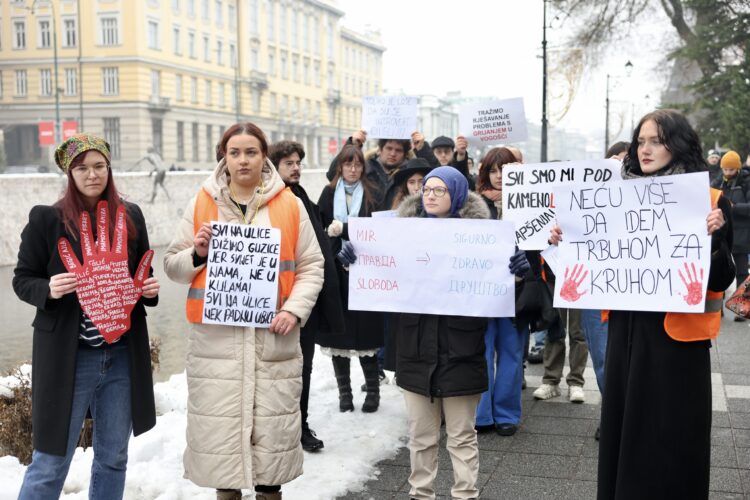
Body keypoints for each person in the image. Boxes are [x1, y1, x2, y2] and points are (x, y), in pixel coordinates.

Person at [548, 109, 734, 498]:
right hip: (625, 334)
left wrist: (714, 239)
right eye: (641, 141)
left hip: (677, 345)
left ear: (678, 144)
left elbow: (720, 280)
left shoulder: (709, 200)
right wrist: (561, 244)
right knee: (623, 431)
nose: (645, 149)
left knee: (670, 437)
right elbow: (576, 270)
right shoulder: (611, 197)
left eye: (657, 141)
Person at [339, 166, 527, 499]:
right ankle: (420, 494)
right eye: (427, 188)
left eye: (440, 190)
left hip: (463, 350)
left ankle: (465, 494)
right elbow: (378, 274)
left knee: (462, 436)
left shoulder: (484, 238)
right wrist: (354, 260)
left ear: (456, 194)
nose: (430, 194)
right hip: (415, 351)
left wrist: (514, 272)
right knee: (421, 437)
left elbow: (496, 287)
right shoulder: (399, 234)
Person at [163, 122, 324, 500]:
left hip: (273, 342)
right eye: (234, 152)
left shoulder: (289, 204)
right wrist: (198, 254)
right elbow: (172, 266)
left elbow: (311, 266)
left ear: (263, 155)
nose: (243, 159)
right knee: (223, 456)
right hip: (217, 350)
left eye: (251, 152)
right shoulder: (202, 202)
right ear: (224, 156)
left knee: (272, 459)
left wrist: (295, 311)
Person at [13, 134, 160, 499]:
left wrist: (148, 291)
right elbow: (22, 279)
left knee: (113, 457)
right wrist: (48, 288)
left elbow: (138, 276)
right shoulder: (47, 220)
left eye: (99, 166)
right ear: (69, 173)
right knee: (50, 461)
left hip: (122, 354)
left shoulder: (131, 216)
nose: (92, 175)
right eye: (82, 168)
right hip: (70, 357)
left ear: (109, 169)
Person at [268, 140, 346, 451]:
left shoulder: (300, 197)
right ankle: (279, 429)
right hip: (277, 304)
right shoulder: (271, 201)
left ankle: (300, 425)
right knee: (279, 370)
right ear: (273, 166)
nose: (296, 167)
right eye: (288, 162)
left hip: (306, 301)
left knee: (304, 366)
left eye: (298, 161)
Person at [317, 144, 385, 413]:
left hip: (366, 268)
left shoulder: (373, 193)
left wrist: (345, 229)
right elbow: (319, 227)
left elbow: (379, 229)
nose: (353, 169)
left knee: (366, 332)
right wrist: (332, 239)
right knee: (339, 337)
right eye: (348, 164)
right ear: (340, 167)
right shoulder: (328, 192)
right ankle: (344, 393)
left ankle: (373, 391)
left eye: (358, 165)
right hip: (336, 269)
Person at [474, 147, 531, 436]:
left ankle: (507, 413)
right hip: (482, 293)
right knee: (481, 351)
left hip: (516, 295)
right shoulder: (472, 206)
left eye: (505, 170)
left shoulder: (529, 204)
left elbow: (539, 249)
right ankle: (481, 414)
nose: (499, 177)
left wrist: (524, 267)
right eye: (494, 171)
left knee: (511, 353)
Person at [711, 150, 750, 321]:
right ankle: (717, 307)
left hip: (743, 232)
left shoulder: (746, 182)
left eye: (731, 170)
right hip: (722, 232)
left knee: (742, 272)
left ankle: (741, 309)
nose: (727, 173)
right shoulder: (718, 182)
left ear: (738, 168)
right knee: (719, 267)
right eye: (725, 169)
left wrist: (733, 207)